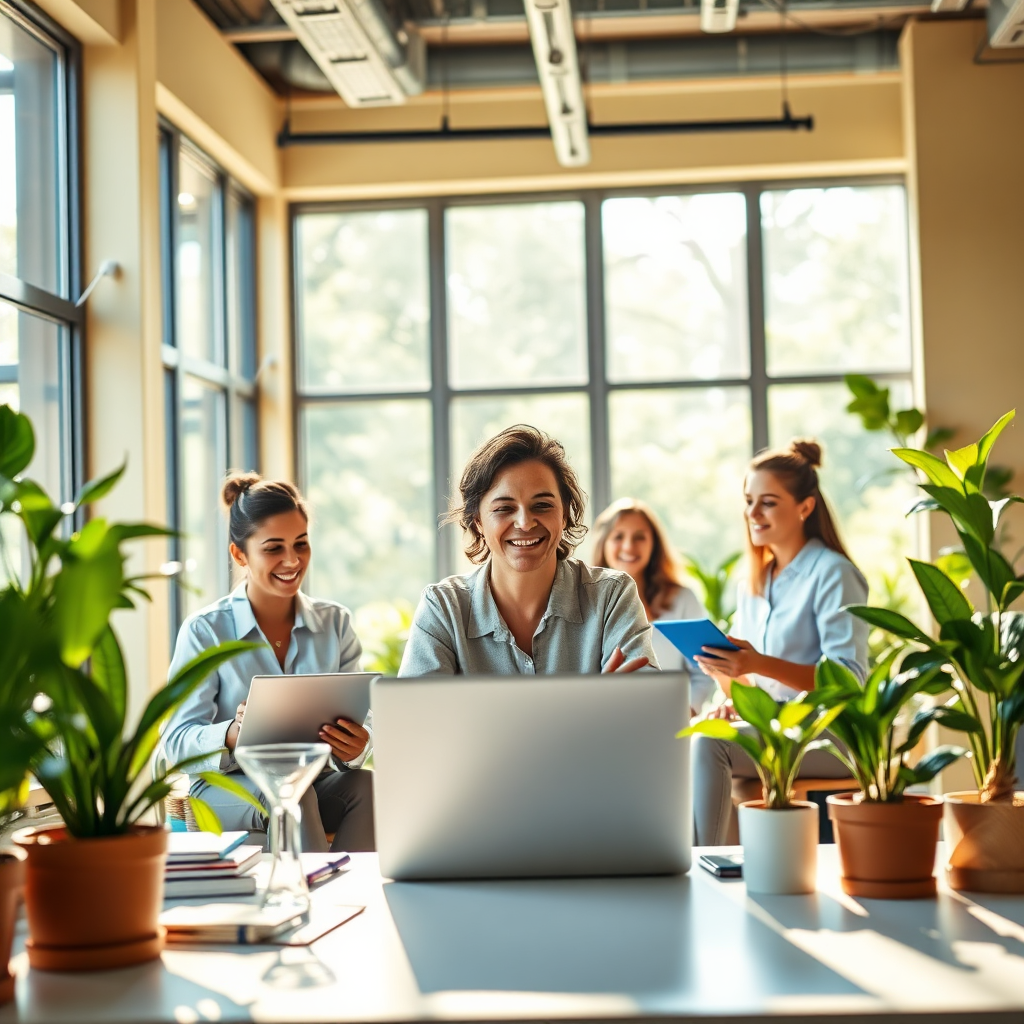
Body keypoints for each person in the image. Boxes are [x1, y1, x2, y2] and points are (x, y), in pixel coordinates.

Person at [161, 474, 375, 852]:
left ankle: (349, 884)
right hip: (227, 787)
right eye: (274, 548)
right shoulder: (205, 630)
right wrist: (232, 732)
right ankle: (306, 888)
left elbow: (364, 718)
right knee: (292, 791)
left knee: (366, 786)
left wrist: (358, 744)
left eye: (301, 544)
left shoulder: (335, 623)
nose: (292, 560)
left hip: (311, 779)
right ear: (239, 555)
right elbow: (175, 743)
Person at [690, 439, 868, 846]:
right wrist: (726, 677)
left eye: (768, 502)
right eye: (749, 501)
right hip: (775, 726)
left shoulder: (833, 573)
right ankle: (720, 862)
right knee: (693, 733)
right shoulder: (754, 584)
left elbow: (849, 680)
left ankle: (703, 863)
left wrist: (756, 663)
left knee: (709, 745)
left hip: (830, 733)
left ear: (805, 507)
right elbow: (752, 685)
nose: (753, 513)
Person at [399, 425, 657, 677]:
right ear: (478, 521)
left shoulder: (612, 596)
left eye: (542, 505)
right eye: (504, 508)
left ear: (564, 514)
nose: (525, 523)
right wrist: (599, 702)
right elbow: (417, 707)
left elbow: (646, 700)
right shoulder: (443, 608)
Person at [590, 498, 712, 712]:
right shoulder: (585, 603)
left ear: (654, 545)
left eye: (640, 537)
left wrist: (687, 712)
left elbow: (704, 670)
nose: (629, 546)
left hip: (671, 719)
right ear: (603, 544)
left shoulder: (682, 599)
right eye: (618, 536)